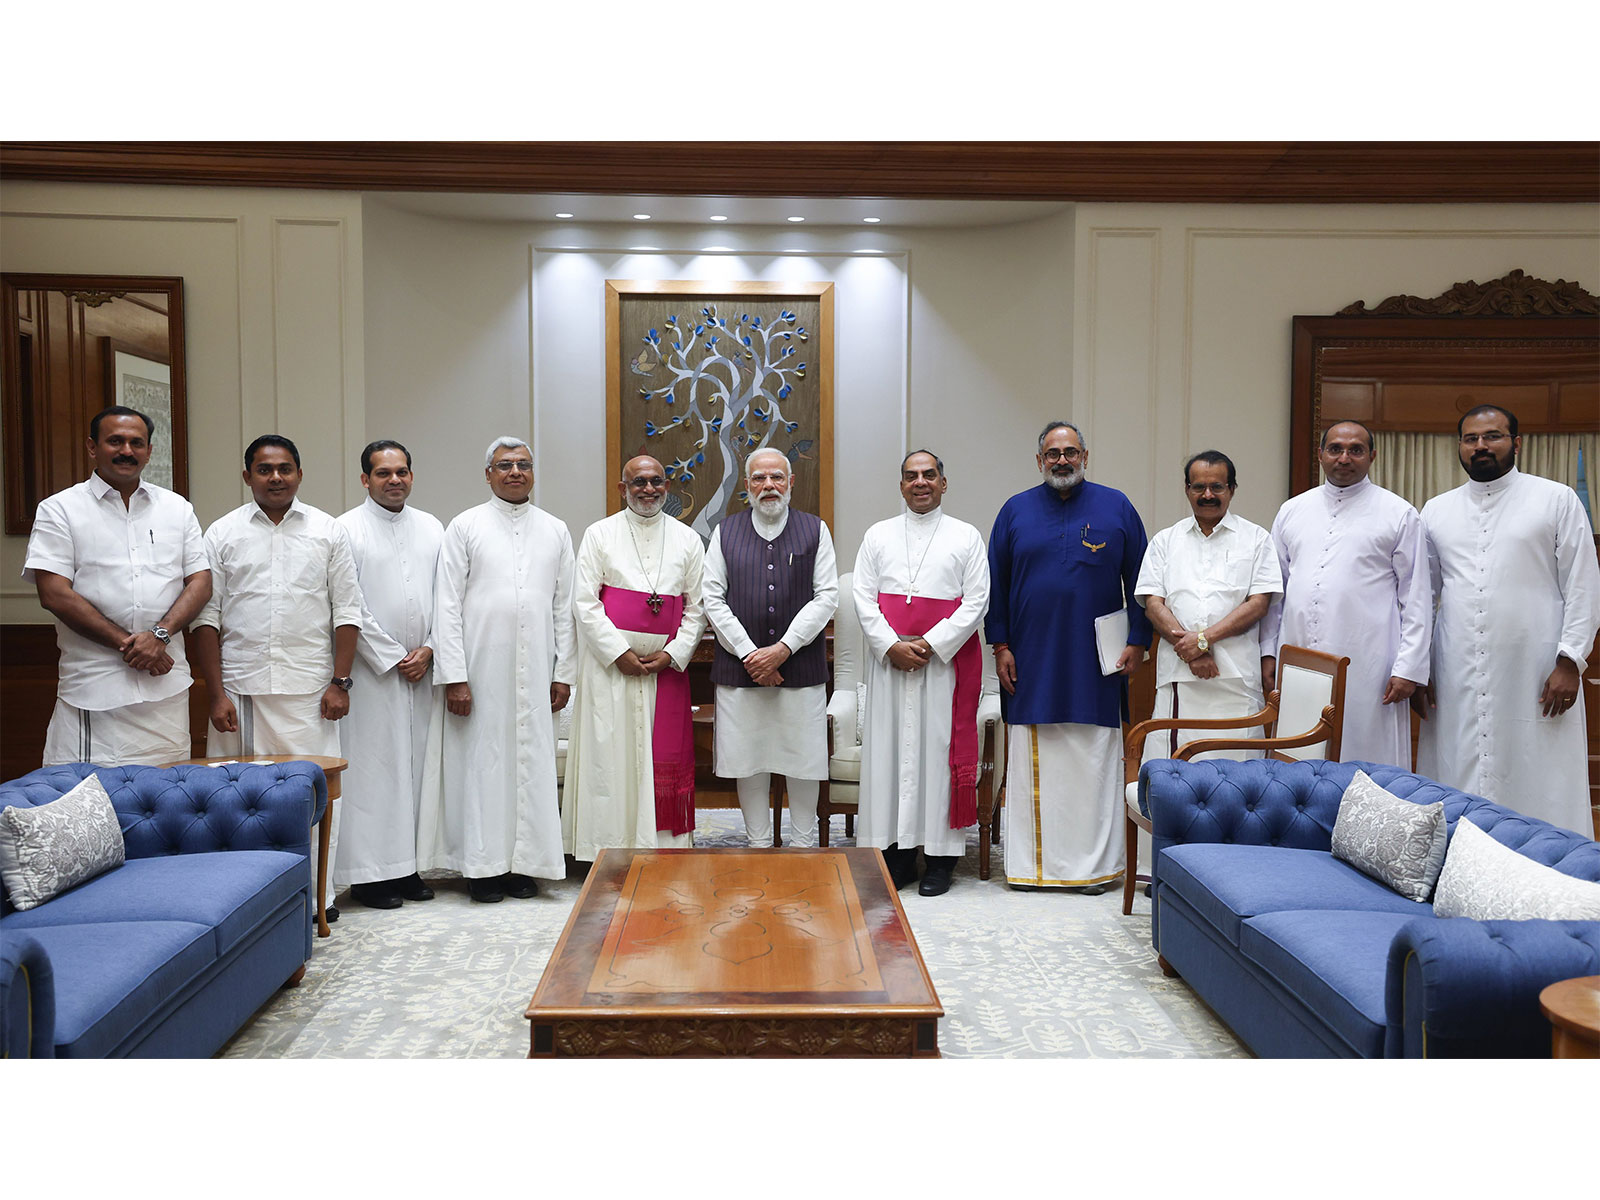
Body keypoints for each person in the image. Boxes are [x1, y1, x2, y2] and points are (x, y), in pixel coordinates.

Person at [191, 434, 363, 922]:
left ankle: (318, 898)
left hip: (312, 693)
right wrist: (215, 694)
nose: (275, 478)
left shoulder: (328, 531)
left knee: (313, 796)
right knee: (235, 802)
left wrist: (340, 682)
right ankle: (248, 904)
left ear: (299, 474)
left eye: (285, 469)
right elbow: (207, 619)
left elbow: (348, 612)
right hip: (241, 693)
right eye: (264, 469)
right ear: (247, 476)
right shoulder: (222, 533)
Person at [1415, 405, 1600, 835]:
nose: (1481, 446)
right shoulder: (1436, 510)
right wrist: (1420, 666)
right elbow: (1423, 595)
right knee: (1456, 763)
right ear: (1460, 446)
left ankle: (1550, 859)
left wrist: (1570, 661)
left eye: (1492, 436)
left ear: (1516, 443)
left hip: (1535, 667)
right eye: (1471, 438)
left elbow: (1583, 584)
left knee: (1539, 765)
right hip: (1455, 664)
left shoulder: (1556, 499)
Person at [986, 420, 1151, 892]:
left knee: (1093, 762)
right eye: (1053, 453)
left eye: (1071, 452)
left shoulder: (1117, 507)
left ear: (1085, 457)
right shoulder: (1014, 511)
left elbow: (1144, 581)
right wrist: (1001, 645)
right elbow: (995, 585)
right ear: (1040, 460)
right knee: (1034, 758)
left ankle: (1094, 870)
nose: (1063, 460)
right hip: (1030, 660)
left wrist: (1138, 640)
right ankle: (1031, 869)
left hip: (1097, 663)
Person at [422, 436, 576, 902]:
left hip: (538, 673)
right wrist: (455, 676)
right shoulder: (465, 526)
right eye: (505, 465)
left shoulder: (555, 529)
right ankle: (483, 868)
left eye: (523, 464)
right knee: (483, 766)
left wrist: (563, 673)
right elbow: (446, 605)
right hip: (479, 670)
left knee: (531, 766)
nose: (515, 472)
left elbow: (564, 607)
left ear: (533, 473)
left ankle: (524, 865)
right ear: (487, 473)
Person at [24, 406, 211, 766]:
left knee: (166, 792)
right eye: (115, 441)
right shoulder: (60, 509)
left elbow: (200, 582)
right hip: (94, 689)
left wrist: (159, 636)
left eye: (136, 443)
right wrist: (132, 645)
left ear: (149, 451)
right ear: (92, 447)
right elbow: (54, 593)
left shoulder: (177, 508)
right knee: (88, 794)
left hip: (164, 691)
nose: (127, 450)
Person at [853, 451, 990, 895]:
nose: (920, 482)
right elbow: (862, 597)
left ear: (943, 483)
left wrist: (930, 644)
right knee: (890, 756)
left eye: (929, 475)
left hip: (942, 668)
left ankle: (939, 861)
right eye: (911, 476)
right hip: (891, 666)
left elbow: (977, 601)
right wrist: (891, 646)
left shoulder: (966, 536)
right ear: (901, 486)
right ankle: (895, 857)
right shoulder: (878, 535)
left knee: (937, 756)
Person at [1259, 421, 1431, 767]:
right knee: (1300, 755)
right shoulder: (1292, 510)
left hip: (1370, 664)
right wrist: (1267, 652)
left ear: (1372, 456)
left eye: (1356, 450)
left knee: (1364, 755)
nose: (1344, 458)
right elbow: (1275, 591)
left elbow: (1416, 598)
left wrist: (1409, 668)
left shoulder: (1398, 513)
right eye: (1335, 449)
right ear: (1320, 454)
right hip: (1298, 658)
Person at [562, 455, 707, 861]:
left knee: (660, 756)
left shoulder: (687, 539)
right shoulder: (599, 534)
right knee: (611, 758)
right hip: (611, 671)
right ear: (622, 488)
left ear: (667, 486)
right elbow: (584, 601)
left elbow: (698, 607)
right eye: (638, 482)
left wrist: (672, 654)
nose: (648, 489)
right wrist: (619, 653)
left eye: (656, 481)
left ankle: (663, 845)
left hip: (665, 672)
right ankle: (607, 848)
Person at [702, 448, 838, 847]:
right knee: (749, 760)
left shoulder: (815, 529)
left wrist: (783, 649)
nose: (769, 486)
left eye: (777, 477)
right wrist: (750, 654)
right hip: (740, 671)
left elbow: (826, 596)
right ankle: (758, 845)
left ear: (791, 482)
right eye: (759, 478)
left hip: (801, 668)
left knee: (803, 760)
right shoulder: (725, 531)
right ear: (746, 485)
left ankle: (803, 846)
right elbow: (713, 598)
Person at [334, 440, 445, 910]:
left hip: (424, 670)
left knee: (417, 770)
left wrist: (431, 648)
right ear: (365, 479)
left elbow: (449, 597)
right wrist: (394, 656)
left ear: (412, 476)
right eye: (383, 473)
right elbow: (348, 603)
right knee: (374, 773)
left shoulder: (433, 527)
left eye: (401, 472)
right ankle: (369, 876)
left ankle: (409, 867)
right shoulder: (345, 529)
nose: (394, 480)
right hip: (372, 672)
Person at [1135, 450, 1281, 766]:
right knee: (1173, 773)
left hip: (1236, 679)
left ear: (1232, 489)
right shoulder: (1165, 541)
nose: (1208, 495)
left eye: (1217, 487)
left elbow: (1258, 604)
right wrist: (1193, 652)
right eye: (1199, 487)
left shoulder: (1257, 539)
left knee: (1239, 775)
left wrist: (1203, 641)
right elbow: (1153, 603)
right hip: (1179, 677)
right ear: (1187, 489)